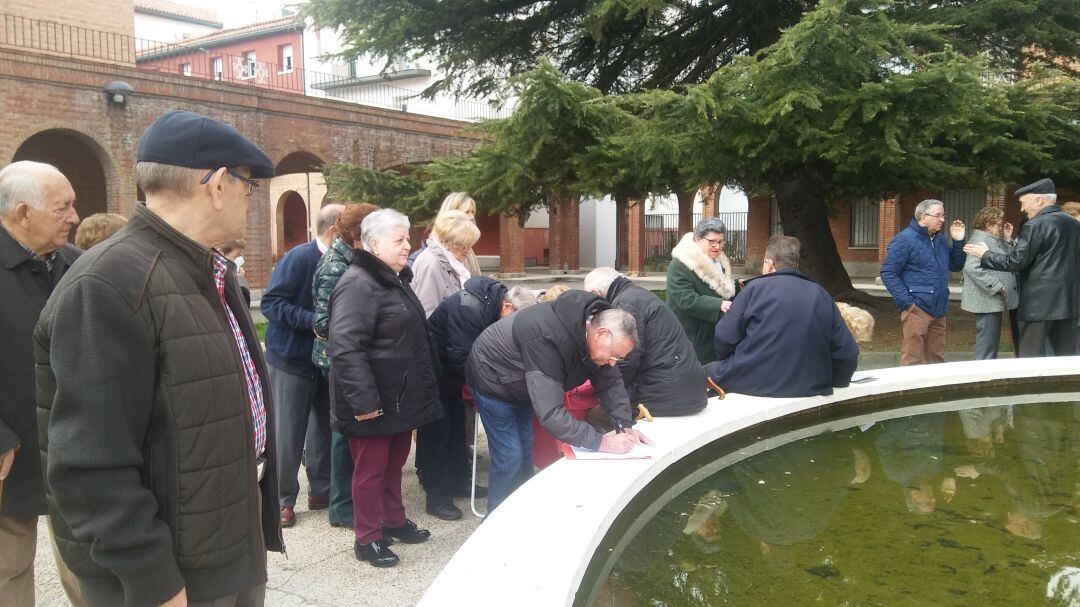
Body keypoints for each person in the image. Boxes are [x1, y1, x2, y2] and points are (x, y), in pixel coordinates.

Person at [35, 110, 281, 606]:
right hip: (168, 572)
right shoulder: (109, 284)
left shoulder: (207, 268)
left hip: (224, 541)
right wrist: (153, 580)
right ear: (215, 185)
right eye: (247, 187)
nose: (248, 201)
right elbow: (90, 464)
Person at [465, 289, 652, 512]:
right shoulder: (546, 335)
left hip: (523, 384)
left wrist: (624, 425)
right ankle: (494, 523)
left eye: (618, 359)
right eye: (613, 356)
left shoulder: (594, 336)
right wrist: (603, 442)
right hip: (491, 378)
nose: (613, 363)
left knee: (525, 446)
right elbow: (551, 414)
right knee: (510, 455)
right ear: (600, 333)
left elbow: (610, 383)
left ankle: (521, 511)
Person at [328, 208, 442, 567]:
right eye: (399, 240)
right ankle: (367, 537)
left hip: (398, 396)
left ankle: (393, 520)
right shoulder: (358, 282)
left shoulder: (394, 279)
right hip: (372, 400)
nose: (407, 246)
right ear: (374, 244)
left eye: (407, 239)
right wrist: (363, 402)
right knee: (371, 471)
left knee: (394, 465)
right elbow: (345, 347)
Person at [0, 161, 83, 607]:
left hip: (77, 446)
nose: (74, 217)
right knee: (7, 570)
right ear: (23, 213)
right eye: (62, 207)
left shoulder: (78, 265)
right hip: (9, 453)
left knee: (90, 565)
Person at [424, 277, 536, 519]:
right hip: (435, 368)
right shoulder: (470, 309)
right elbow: (464, 356)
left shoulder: (492, 308)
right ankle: (438, 497)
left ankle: (461, 482)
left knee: (457, 429)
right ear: (507, 308)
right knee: (437, 433)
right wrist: (490, 387)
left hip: (458, 370)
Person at [261, 203, 344, 528]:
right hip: (292, 359)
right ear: (334, 231)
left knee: (323, 426)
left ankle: (320, 490)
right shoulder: (299, 258)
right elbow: (271, 303)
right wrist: (314, 321)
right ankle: (283, 500)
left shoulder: (343, 262)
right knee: (288, 433)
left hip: (324, 361)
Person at [705, 236, 859, 397]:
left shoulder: (754, 289)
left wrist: (735, 360)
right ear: (796, 266)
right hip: (811, 384)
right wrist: (837, 380)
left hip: (753, 381)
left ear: (769, 264)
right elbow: (846, 352)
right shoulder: (820, 294)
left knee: (703, 372)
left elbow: (724, 338)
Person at [312, 202, 381, 529]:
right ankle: (341, 508)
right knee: (343, 435)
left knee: (349, 434)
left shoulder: (350, 258)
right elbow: (324, 322)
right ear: (358, 233)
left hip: (352, 357)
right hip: (338, 360)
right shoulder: (334, 266)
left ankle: (349, 500)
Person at [964, 179, 1080, 357]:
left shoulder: (1035, 224)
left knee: (1029, 358)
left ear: (1039, 201)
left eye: (1023, 203)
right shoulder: (1072, 223)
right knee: (1066, 358)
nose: (1022, 209)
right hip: (1069, 302)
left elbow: (1016, 262)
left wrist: (985, 254)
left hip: (1038, 305)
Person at [584, 267, 707, 416]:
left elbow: (627, 360)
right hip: (688, 389)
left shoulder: (625, 304)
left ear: (596, 294)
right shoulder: (638, 295)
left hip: (666, 393)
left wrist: (602, 389)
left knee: (595, 415)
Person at [880, 199, 966, 366]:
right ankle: (908, 391)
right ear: (923, 217)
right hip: (917, 309)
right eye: (938, 215)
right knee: (913, 361)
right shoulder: (904, 240)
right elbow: (888, 273)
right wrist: (908, 304)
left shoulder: (939, 240)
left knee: (936, 361)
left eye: (943, 215)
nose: (942, 219)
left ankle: (934, 392)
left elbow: (956, 265)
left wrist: (958, 241)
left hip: (939, 310)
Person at [666, 217, 737, 364]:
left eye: (721, 242)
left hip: (714, 336)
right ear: (698, 240)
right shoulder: (679, 264)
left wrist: (735, 284)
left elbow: (719, 287)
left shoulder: (720, 261)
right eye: (712, 242)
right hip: (690, 338)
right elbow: (686, 299)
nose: (717, 247)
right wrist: (719, 305)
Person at [960, 206, 1019, 359]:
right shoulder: (982, 239)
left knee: (990, 342)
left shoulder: (991, 239)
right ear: (988, 224)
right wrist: (996, 285)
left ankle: (985, 371)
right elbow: (971, 268)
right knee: (987, 344)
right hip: (986, 301)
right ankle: (980, 375)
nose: (1001, 227)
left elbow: (1008, 259)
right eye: (999, 224)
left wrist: (1007, 239)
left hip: (992, 301)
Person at [412, 209, 482, 317]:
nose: (468, 251)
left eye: (470, 245)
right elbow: (428, 314)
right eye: (464, 245)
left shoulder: (452, 262)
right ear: (447, 242)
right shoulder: (432, 264)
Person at [219, 238, 251, 307]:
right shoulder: (219, 277)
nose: (240, 260)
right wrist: (239, 279)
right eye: (236, 256)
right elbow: (242, 305)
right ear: (222, 254)